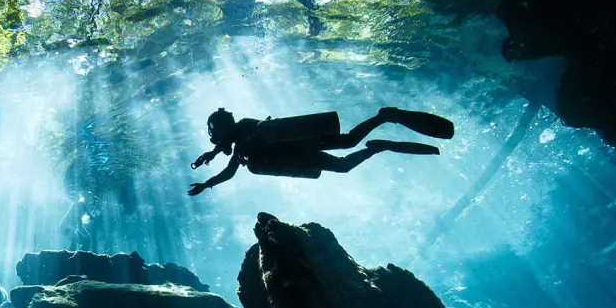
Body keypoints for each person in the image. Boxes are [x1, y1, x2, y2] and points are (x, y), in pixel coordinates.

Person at [187, 106, 454, 196]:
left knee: (349, 145)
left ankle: (384, 118)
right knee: (346, 161)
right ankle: (379, 142)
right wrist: (208, 181)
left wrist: (209, 168)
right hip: (304, 155)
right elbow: (229, 171)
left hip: (305, 146)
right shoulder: (240, 147)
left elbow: (232, 149)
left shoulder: (245, 132)